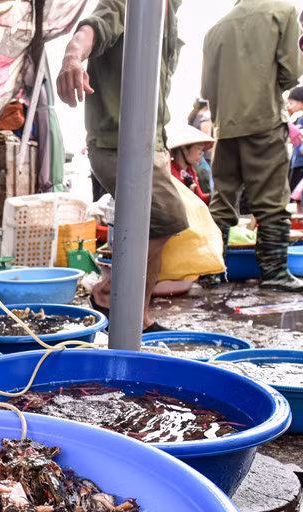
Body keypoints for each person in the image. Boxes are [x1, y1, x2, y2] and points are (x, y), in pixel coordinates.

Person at [56, 0, 186, 333]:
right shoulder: (130, 3)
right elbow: (90, 29)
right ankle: (107, 291)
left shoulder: (169, 13)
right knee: (169, 217)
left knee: (153, 230)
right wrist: (72, 57)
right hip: (119, 143)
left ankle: (139, 317)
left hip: (152, 141)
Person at [202, 0, 303, 293]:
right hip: (263, 120)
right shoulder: (281, 12)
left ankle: (212, 271)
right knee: (272, 202)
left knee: (222, 200)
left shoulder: (216, 28)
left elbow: (207, 89)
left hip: (225, 127)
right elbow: (292, 72)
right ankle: (274, 273)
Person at [167, 126, 214, 205]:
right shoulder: (170, 170)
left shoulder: (190, 171)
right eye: (198, 148)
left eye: (202, 150)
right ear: (184, 149)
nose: (201, 153)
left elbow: (200, 197)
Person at [186, 99, 214, 194]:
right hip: (204, 157)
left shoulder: (193, 116)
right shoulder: (205, 116)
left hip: (196, 154)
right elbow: (207, 136)